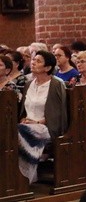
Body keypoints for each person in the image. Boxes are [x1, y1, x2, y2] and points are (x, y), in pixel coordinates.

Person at [18, 50, 68, 183]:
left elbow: (58, 113)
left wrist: (38, 122)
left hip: (46, 127)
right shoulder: (29, 84)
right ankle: (14, 175)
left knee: (18, 132)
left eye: (38, 61)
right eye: (33, 60)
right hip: (27, 125)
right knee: (12, 132)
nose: (33, 62)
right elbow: (24, 109)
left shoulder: (56, 84)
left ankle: (25, 176)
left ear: (48, 67)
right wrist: (23, 118)